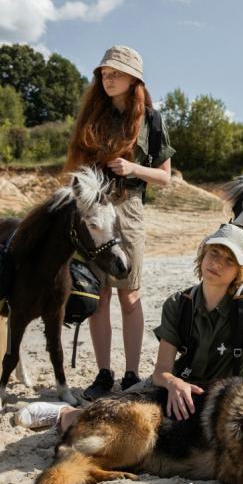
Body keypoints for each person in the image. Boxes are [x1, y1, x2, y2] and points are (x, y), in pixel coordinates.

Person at [14, 223, 243, 430]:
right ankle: (63, 414)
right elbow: (161, 372)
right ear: (203, 254)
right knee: (113, 416)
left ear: (240, 272)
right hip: (178, 393)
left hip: (229, 401)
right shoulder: (179, 303)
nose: (217, 263)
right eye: (214, 252)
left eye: (229, 260)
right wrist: (174, 383)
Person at [63, 45, 176, 400]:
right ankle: (103, 374)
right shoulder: (93, 117)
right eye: (104, 74)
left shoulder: (152, 120)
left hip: (129, 209)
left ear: (133, 79)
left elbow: (165, 177)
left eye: (115, 74)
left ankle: (131, 375)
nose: (108, 79)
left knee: (129, 295)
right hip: (95, 210)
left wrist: (133, 168)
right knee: (98, 295)